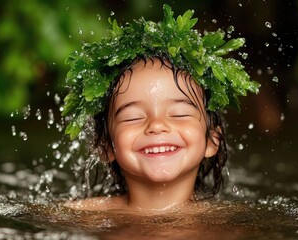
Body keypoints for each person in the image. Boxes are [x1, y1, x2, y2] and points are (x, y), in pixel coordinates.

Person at [62, 4, 259, 212]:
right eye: (133, 117)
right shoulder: (78, 215)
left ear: (211, 139)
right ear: (105, 146)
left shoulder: (230, 223)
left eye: (179, 114)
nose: (156, 125)